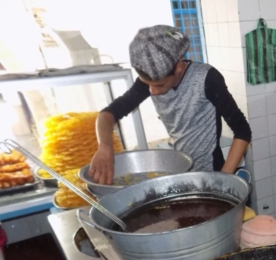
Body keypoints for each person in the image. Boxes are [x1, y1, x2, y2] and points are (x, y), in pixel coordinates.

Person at [89, 25, 251, 184]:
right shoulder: (153, 78)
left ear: (179, 68)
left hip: (210, 173)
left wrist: (224, 180)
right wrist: (105, 147)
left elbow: (242, 130)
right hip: (181, 171)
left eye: (159, 85)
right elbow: (108, 114)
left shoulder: (206, 78)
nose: (152, 91)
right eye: (147, 84)